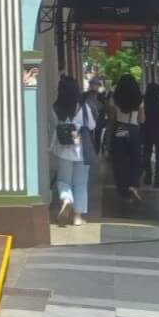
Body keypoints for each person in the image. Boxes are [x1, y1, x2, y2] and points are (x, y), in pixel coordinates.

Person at [49, 76, 96, 225]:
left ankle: (66, 198)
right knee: (81, 183)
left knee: (63, 180)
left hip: (63, 150)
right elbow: (92, 126)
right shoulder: (84, 107)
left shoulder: (55, 107)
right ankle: (77, 217)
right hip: (82, 150)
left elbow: (54, 126)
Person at [109, 74, 144, 201]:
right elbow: (142, 119)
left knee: (120, 159)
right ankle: (133, 184)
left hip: (121, 128)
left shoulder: (115, 97)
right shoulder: (139, 98)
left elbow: (112, 117)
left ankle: (122, 188)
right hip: (134, 129)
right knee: (136, 159)